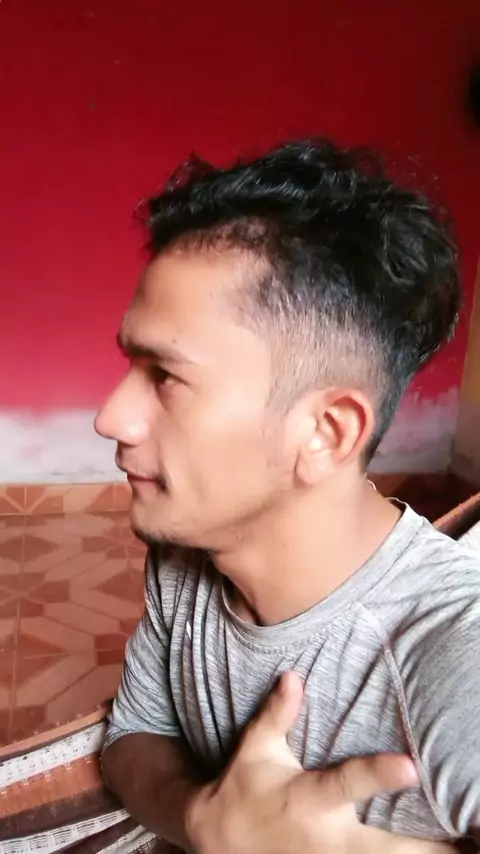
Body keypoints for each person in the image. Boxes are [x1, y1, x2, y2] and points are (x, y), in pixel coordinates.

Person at [95, 140, 479, 852]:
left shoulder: (455, 659)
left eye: (165, 376)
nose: (110, 417)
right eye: (131, 366)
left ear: (326, 432)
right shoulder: (189, 552)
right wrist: (206, 821)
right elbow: (134, 735)